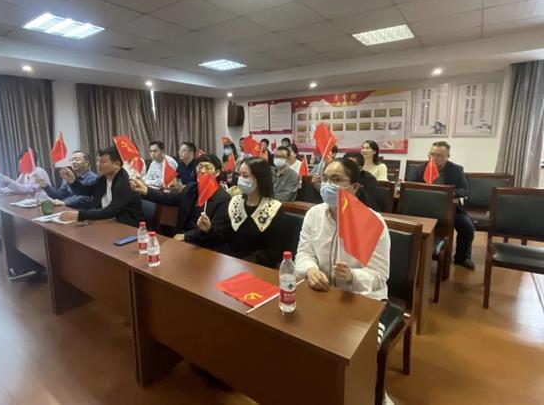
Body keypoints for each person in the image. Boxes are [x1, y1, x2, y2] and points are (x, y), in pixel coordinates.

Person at [294, 158, 393, 405]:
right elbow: (303, 254)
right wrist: (310, 270)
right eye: (326, 179)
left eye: (336, 180)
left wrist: (352, 277)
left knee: (355, 354)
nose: (328, 185)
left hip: (364, 301)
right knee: (297, 337)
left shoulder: (372, 223)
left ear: (355, 187)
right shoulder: (314, 214)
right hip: (322, 293)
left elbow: (379, 276)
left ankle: (372, 393)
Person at [199, 157, 287, 267]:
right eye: (239, 174)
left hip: (257, 267)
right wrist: (209, 229)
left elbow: (274, 251)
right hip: (230, 264)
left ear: (260, 178)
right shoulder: (235, 202)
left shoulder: (274, 208)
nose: (240, 179)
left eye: (245, 176)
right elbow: (224, 238)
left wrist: (244, 263)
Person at [130, 154, 231, 249]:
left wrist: (190, 235)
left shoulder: (223, 198)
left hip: (205, 245)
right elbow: (168, 198)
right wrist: (146, 190)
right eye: (200, 166)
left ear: (217, 172)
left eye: (207, 168)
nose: (202, 171)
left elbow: (219, 233)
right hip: (182, 240)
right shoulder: (191, 188)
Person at [409, 141, 475, 270]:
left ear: (447, 156)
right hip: (423, 208)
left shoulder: (456, 170)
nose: (435, 158)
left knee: (467, 227)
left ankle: (462, 257)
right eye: (432, 154)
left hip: (450, 209)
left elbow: (465, 190)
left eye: (439, 155)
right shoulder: (419, 169)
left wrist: (449, 192)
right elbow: (410, 186)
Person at [58, 146, 144, 227]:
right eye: (97, 161)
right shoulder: (103, 178)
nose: (98, 164)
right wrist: (72, 181)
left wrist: (80, 215)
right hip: (105, 221)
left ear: (117, 164)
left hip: (125, 225)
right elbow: (88, 191)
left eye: (102, 162)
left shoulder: (124, 182)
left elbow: (111, 210)